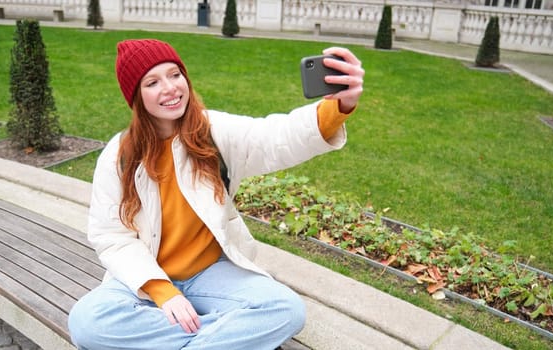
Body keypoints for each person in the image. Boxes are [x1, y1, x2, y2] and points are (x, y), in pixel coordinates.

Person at [67, 38, 364, 350]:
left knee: (284, 309)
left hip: (210, 274)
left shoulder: (212, 132)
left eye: (175, 74)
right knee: (87, 322)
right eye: (153, 82)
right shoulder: (119, 155)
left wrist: (339, 106)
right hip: (146, 278)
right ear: (136, 97)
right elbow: (111, 236)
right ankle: (224, 336)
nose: (170, 88)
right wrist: (162, 290)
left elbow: (275, 138)